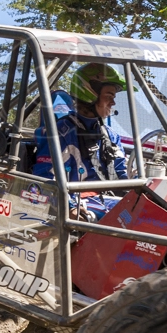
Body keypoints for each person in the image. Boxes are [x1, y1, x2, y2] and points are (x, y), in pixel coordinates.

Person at [33, 63, 128, 220]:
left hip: (108, 202)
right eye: (109, 96)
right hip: (78, 206)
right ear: (90, 94)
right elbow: (45, 178)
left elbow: (122, 175)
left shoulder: (111, 136)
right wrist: (70, 207)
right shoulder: (60, 133)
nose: (113, 103)